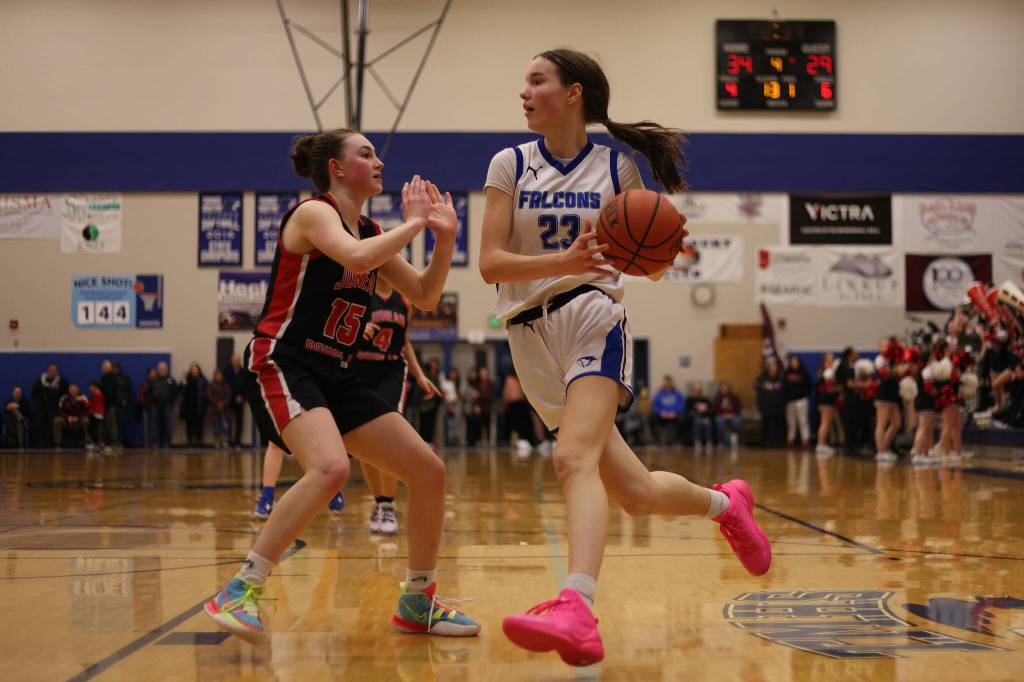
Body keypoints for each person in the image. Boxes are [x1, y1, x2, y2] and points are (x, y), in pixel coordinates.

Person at [479, 48, 770, 666]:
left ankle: (577, 606)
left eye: (536, 80)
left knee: (570, 458)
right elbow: (490, 265)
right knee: (634, 491)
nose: (523, 93)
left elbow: (644, 266)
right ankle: (726, 504)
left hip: (592, 316)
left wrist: (666, 253)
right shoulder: (510, 163)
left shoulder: (617, 168)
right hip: (528, 337)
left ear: (574, 92)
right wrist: (562, 261)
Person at [204, 129, 478, 643]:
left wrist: (444, 239)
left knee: (428, 472)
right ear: (335, 167)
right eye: (366, 153)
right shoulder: (314, 214)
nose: (378, 162)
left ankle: (418, 600)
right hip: (285, 360)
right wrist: (415, 222)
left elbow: (422, 294)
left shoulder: (369, 228)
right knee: (330, 468)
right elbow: (355, 259)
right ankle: (240, 588)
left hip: (336, 371)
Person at [352, 274, 440, 534]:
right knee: (363, 443)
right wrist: (358, 328)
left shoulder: (404, 300)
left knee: (387, 438)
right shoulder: (360, 294)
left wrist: (420, 375)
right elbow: (342, 327)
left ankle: (388, 505)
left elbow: (405, 342)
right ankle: (379, 503)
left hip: (390, 369)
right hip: (360, 368)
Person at [873, 337, 903, 464]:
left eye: (888, 345)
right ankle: (880, 451)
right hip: (883, 394)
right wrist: (898, 370)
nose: (887, 347)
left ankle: (884, 447)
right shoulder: (879, 359)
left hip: (893, 394)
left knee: (896, 423)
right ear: (880, 348)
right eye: (884, 345)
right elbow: (887, 375)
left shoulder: (893, 359)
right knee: (882, 423)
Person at [31, 362, 67, 447]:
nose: (52, 372)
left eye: (54, 370)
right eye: (51, 370)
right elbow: (34, 393)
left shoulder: (61, 381)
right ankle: (40, 443)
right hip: (41, 407)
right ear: (48, 370)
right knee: (40, 424)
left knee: (52, 424)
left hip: (54, 408)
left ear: (57, 371)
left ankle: (52, 443)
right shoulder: (40, 380)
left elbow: (65, 395)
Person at [146, 362, 177, 449]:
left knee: (167, 425)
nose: (163, 371)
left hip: (166, 405)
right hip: (155, 405)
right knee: (155, 425)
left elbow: (175, 391)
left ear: (167, 370)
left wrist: (172, 402)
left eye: (164, 369)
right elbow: (148, 393)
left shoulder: (170, 380)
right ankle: (156, 443)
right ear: (158, 370)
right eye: (161, 369)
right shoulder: (153, 380)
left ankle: (166, 443)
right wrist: (150, 403)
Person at [814, 353, 840, 457]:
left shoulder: (827, 372)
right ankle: (820, 445)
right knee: (825, 423)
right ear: (824, 361)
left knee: (826, 423)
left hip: (826, 401)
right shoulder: (827, 372)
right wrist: (840, 388)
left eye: (832, 359)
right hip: (825, 401)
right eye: (829, 360)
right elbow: (829, 389)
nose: (832, 361)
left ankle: (822, 444)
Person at [756, 360, 786, 447]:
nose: (773, 368)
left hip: (778, 408)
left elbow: (784, 394)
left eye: (774, 366)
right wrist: (761, 406)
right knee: (766, 425)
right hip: (766, 408)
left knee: (778, 426)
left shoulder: (780, 379)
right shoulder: (762, 379)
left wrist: (781, 405)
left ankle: (778, 443)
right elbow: (760, 394)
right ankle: (765, 443)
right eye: (771, 366)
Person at [651, 375, 685, 447]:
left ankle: (678, 441)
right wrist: (662, 413)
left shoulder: (678, 393)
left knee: (683, 419)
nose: (668, 384)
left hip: (674, 415)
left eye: (669, 383)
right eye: (666, 383)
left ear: (672, 383)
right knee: (651, 419)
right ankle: (657, 440)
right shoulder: (659, 393)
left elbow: (681, 405)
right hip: (663, 415)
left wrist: (674, 412)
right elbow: (655, 406)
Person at [53, 383, 91, 449]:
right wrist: (68, 417)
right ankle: (57, 443)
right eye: (71, 390)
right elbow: (60, 410)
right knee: (57, 421)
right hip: (67, 419)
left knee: (86, 420)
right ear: (69, 390)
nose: (73, 391)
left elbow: (86, 410)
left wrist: (78, 417)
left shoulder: (83, 398)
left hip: (79, 419)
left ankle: (89, 442)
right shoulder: (64, 397)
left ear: (78, 390)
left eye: (75, 390)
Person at [180, 362, 209, 447]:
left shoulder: (203, 380)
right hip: (189, 407)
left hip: (200, 406)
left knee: (199, 425)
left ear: (199, 371)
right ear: (191, 371)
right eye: (193, 370)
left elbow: (207, 391)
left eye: (196, 370)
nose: (195, 371)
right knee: (189, 425)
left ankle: (198, 441)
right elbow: (180, 391)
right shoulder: (186, 379)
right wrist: (183, 384)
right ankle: (190, 441)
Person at [224, 354, 246, 448]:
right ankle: (229, 441)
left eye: (238, 360)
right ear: (231, 361)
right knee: (229, 421)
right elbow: (225, 385)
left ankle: (238, 441)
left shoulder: (242, 371)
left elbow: (245, 385)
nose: (236, 362)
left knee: (239, 421)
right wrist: (232, 395)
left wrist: (241, 396)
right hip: (230, 399)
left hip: (240, 399)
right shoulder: (227, 371)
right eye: (234, 360)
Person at [712, 381, 742, 449]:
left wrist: (732, 414)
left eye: (725, 388)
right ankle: (721, 442)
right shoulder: (718, 397)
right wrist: (723, 414)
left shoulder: (734, 397)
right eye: (722, 388)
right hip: (721, 415)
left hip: (733, 415)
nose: (724, 389)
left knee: (737, 422)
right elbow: (716, 409)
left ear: (728, 388)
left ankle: (734, 441)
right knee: (720, 422)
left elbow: (738, 407)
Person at [207, 369, 232, 449]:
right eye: (217, 375)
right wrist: (217, 403)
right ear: (215, 376)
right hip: (214, 409)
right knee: (216, 426)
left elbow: (229, 395)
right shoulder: (211, 385)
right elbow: (209, 396)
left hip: (225, 409)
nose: (219, 376)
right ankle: (216, 441)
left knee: (225, 425)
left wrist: (223, 403)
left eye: (220, 375)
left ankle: (225, 441)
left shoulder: (225, 385)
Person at [687, 383, 714, 451]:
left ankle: (709, 442)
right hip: (694, 418)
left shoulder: (706, 400)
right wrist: (697, 414)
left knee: (707, 422)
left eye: (699, 391)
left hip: (705, 417)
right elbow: (688, 412)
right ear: (693, 391)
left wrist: (706, 416)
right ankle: (697, 442)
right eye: (695, 391)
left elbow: (710, 410)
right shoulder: (689, 400)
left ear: (701, 392)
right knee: (698, 421)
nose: (697, 392)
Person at [85, 381, 108, 453]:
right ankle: (97, 444)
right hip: (96, 413)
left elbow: (93, 404)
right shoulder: (97, 394)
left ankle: (97, 444)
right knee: (92, 429)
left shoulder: (98, 395)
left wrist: (85, 401)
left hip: (96, 414)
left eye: (91, 386)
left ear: (95, 387)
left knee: (93, 429)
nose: (90, 388)